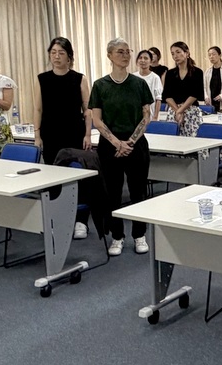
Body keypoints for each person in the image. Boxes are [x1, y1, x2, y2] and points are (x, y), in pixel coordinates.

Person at [90, 38, 154, 255]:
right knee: (113, 193)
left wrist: (131, 142)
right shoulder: (100, 85)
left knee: (138, 191)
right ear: (109, 55)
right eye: (120, 52)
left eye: (128, 52)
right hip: (110, 145)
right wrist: (117, 143)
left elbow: (147, 115)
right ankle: (116, 236)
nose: (125, 55)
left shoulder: (139, 84)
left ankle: (139, 235)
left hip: (136, 144)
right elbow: (97, 120)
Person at [34, 37, 93, 165]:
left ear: (69, 56)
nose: (56, 56)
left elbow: (87, 110)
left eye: (61, 53)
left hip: (74, 133)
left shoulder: (79, 79)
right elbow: (38, 109)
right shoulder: (42, 79)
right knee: (52, 172)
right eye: (53, 52)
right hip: (50, 133)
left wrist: (88, 135)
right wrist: (37, 136)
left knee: (74, 171)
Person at [163, 41, 206, 137]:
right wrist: (177, 110)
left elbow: (195, 94)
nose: (175, 56)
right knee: (173, 142)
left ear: (187, 53)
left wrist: (180, 110)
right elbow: (167, 95)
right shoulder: (170, 73)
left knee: (194, 142)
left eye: (178, 52)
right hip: (174, 111)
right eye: (173, 53)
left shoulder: (197, 72)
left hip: (191, 111)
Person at [133, 49, 163, 121]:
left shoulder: (155, 77)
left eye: (146, 58)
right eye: (140, 58)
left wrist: (155, 117)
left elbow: (158, 99)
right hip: (135, 116)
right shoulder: (133, 77)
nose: (142, 60)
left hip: (150, 115)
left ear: (150, 61)